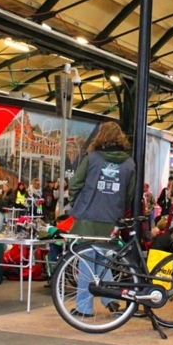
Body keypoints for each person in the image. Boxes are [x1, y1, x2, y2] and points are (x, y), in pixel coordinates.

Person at [68, 121, 135, 318]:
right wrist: (118, 209)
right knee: (104, 260)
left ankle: (84, 307)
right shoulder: (129, 163)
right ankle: (111, 299)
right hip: (111, 218)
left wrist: (77, 202)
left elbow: (75, 184)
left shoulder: (92, 158)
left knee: (87, 261)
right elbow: (129, 194)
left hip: (88, 217)